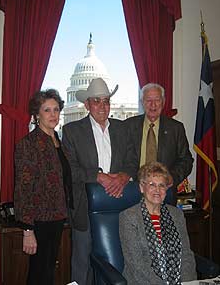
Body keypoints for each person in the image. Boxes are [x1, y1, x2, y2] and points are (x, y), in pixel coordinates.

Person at [62, 78, 137, 285]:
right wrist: (98, 176)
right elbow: (69, 169)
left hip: (119, 206)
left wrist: (123, 176)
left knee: (117, 261)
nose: (102, 106)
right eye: (97, 101)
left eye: (106, 101)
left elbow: (133, 161)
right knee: (82, 263)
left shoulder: (123, 129)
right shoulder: (72, 131)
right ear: (87, 104)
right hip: (84, 208)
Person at [14, 89, 73, 285]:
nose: (53, 115)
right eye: (47, 110)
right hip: (38, 220)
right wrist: (28, 231)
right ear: (37, 114)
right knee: (39, 274)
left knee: (47, 271)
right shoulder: (28, 144)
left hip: (57, 217)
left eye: (56, 109)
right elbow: (23, 188)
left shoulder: (57, 141)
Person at [119, 162, 197, 285]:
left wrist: (188, 283)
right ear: (141, 187)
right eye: (152, 185)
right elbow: (136, 265)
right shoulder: (129, 217)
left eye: (162, 185)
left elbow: (186, 255)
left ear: (166, 189)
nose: (157, 190)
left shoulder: (177, 215)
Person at [125, 83, 193, 205]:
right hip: (134, 190)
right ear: (142, 102)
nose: (153, 105)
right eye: (148, 100)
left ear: (163, 102)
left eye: (157, 100)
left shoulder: (175, 128)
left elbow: (186, 160)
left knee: (163, 224)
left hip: (164, 191)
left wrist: (171, 177)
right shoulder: (128, 126)